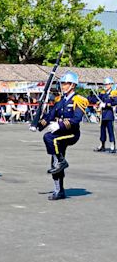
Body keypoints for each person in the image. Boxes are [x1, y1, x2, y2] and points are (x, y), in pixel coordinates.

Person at [31, 71, 88, 201]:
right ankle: (59, 190)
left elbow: (76, 119)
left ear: (73, 85)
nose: (63, 85)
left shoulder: (78, 99)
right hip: (60, 134)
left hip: (71, 134)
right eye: (62, 83)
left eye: (66, 83)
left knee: (49, 138)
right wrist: (37, 126)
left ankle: (62, 161)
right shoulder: (61, 101)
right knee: (54, 163)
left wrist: (60, 125)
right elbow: (49, 116)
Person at [90, 77, 117, 153]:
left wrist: (105, 105)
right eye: (105, 84)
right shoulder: (103, 93)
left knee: (110, 131)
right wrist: (97, 104)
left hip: (109, 114)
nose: (105, 85)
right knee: (102, 131)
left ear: (111, 85)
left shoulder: (113, 93)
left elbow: (115, 102)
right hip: (103, 115)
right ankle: (102, 145)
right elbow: (97, 99)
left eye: (107, 84)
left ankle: (112, 146)